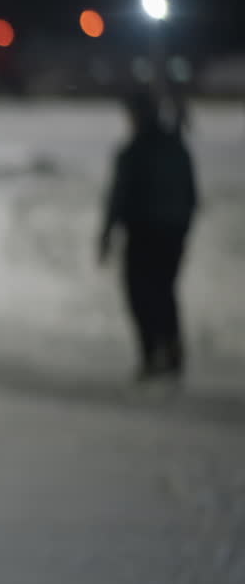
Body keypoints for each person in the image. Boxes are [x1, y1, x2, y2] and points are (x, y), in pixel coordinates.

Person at [99, 91, 198, 383]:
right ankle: (171, 349)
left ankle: (152, 353)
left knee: (140, 294)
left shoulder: (133, 151)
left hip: (143, 232)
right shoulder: (175, 146)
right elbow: (191, 192)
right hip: (172, 232)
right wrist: (182, 225)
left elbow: (118, 197)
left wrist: (106, 234)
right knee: (165, 291)